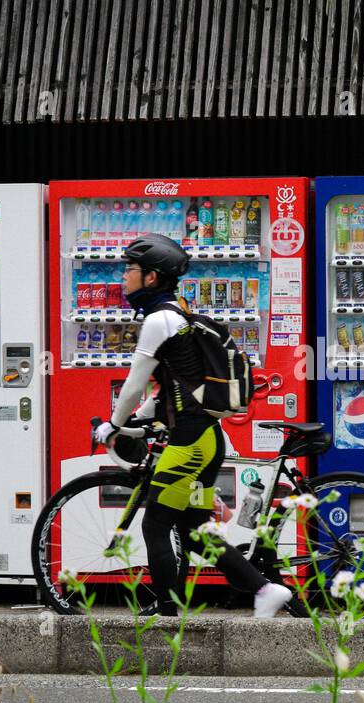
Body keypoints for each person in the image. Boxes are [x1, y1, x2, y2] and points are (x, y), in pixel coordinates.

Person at [95, 233, 292, 618]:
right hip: (207, 439)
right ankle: (265, 588)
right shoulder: (176, 312)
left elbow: (135, 384)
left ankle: (168, 609)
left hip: (189, 444)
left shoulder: (159, 319)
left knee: (155, 524)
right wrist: (137, 420)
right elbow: (173, 385)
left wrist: (113, 424)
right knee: (193, 530)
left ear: (151, 277)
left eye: (130, 270)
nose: (124, 278)